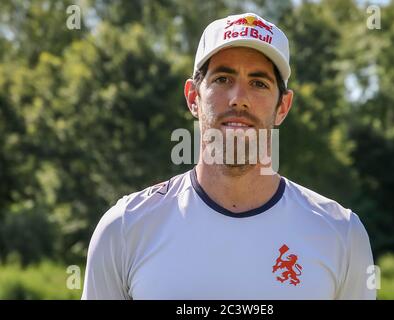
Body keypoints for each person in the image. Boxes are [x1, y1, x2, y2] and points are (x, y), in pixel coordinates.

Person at [82, 12, 376, 300]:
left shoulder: (341, 234)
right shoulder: (124, 228)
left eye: (259, 83)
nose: (239, 98)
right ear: (193, 97)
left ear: (283, 107)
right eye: (223, 79)